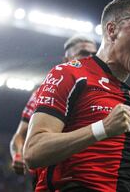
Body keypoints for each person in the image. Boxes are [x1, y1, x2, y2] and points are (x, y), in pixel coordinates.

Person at [24, 0, 130, 192]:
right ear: (112, 30)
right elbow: (33, 151)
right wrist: (102, 128)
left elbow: (111, 179)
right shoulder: (70, 73)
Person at [9, 34, 97, 175]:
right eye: (84, 53)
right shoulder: (44, 92)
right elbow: (20, 134)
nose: (91, 58)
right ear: (66, 60)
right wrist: (18, 155)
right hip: (54, 178)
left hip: (95, 177)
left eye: (94, 54)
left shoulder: (103, 92)